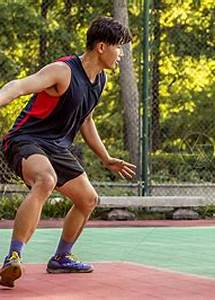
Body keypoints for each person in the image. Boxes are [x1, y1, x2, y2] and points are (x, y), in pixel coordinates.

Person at [0, 16, 136, 287]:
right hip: (26, 139)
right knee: (46, 180)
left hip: (56, 147)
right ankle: (12, 257)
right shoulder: (63, 71)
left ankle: (61, 257)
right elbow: (19, 86)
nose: (121, 54)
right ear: (101, 47)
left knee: (88, 199)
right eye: (118, 47)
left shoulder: (99, 80)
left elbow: (86, 119)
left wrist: (105, 157)